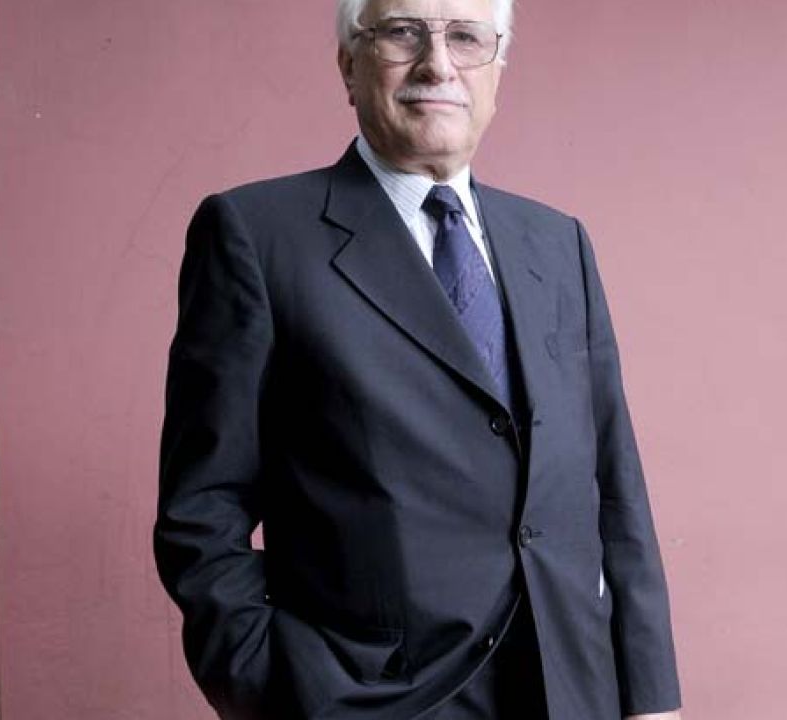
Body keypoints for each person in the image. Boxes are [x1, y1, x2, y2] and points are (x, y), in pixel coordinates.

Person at [154, 0, 682, 718]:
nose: (438, 65)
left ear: (497, 70)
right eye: (403, 33)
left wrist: (649, 694)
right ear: (349, 64)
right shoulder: (254, 234)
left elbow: (614, 483)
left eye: (465, 37)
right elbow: (202, 509)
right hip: (368, 701)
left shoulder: (558, 244)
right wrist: (276, 691)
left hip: (570, 690)